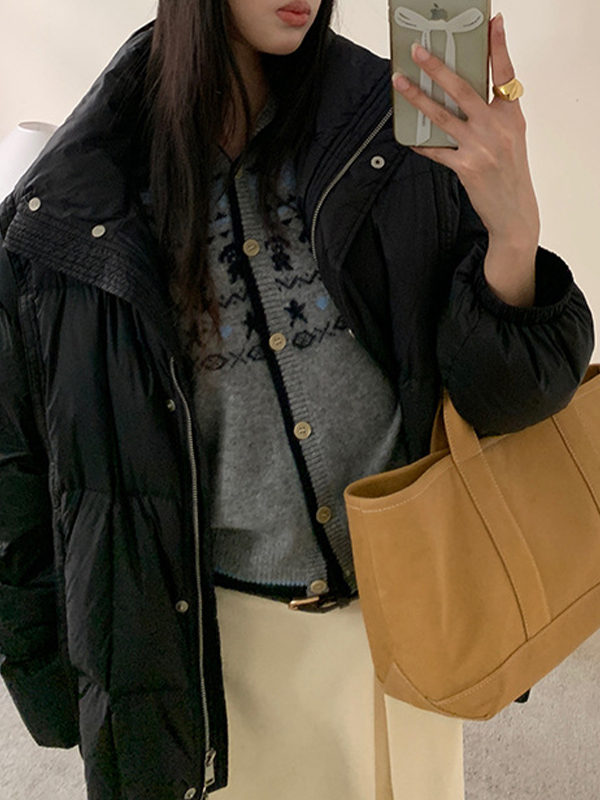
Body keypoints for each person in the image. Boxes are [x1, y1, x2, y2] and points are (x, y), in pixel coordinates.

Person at [0, 1, 593, 799]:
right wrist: (61, 685)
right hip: (218, 657)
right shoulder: (73, 201)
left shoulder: (391, 123)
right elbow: (19, 474)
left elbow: (504, 400)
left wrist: (513, 230)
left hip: (414, 610)